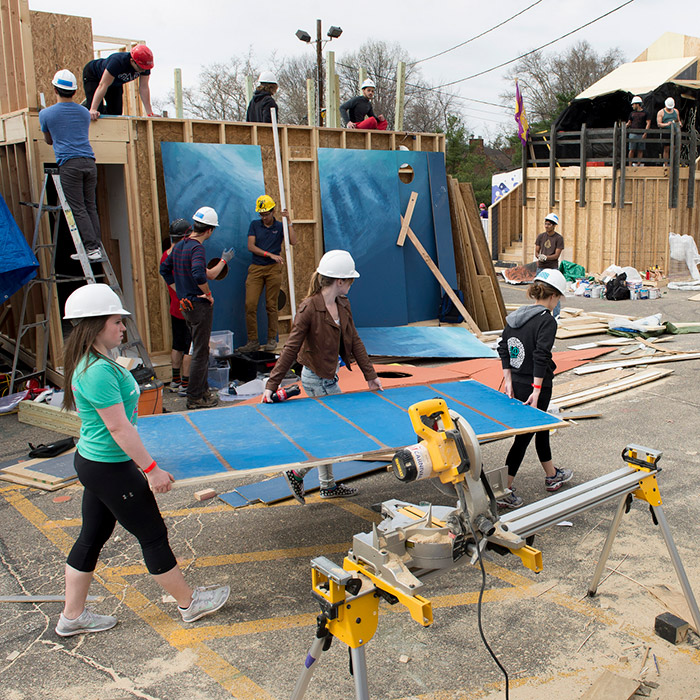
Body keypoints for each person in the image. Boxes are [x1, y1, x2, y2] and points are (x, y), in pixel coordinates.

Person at [56, 283, 229, 637]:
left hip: (96, 463)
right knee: (152, 534)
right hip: (109, 467)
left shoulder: (94, 362)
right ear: (94, 325)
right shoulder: (98, 370)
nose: (123, 328)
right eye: (117, 322)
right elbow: (119, 429)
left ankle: (71, 618)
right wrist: (150, 470)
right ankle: (189, 603)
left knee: (91, 537)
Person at [263, 250, 383, 503]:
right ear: (339, 281)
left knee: (329, 431)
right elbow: (291, 347)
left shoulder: (342, 304)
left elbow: (355, 339)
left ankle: (327, 486)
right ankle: (297, 472)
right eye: (350, 280)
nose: (352, 284)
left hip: (330, 376)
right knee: (340, 431)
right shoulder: (309, 308)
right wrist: (271, 384)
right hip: (315, 378)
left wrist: (370, 375)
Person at [496, 269, 573, 509]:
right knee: (524, 437)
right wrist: (538, 390)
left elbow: (503, 347)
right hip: (536, 385)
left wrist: (508, 379)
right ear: (553, 297)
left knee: (542, 427)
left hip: (518, 382)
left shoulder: (516, 317)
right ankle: (503, 491)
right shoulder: (546, 320)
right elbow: (541, 355)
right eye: (559, 298)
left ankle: (552, 475)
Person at [159, 207, 233, 410]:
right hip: (198, 306)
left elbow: (164, 269)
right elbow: (200, 275)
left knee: (197, 349)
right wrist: (208, 295)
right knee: (200, 353)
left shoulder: (181, 245)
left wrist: (178, 291)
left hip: (186, 305)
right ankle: (195, 398)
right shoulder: (197, 248)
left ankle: (202, 392)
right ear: (209, 230)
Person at [39, 70, 103, 262]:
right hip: (89, 162)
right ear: (74, 92)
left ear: (55, 89)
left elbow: (49, 141)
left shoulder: (46, 114)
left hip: (70, 164)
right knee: (90, 206)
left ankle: (92, 248)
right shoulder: (84, 112)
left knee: (78, 208)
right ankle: (95, 247)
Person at [238, 195, 297, 353]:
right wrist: (269, 254)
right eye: (261, 214)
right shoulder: (255, 225)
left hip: (273, 269)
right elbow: (251, 246)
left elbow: (293, 241)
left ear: (273, 211)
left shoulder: (280, 226)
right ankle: (252, 341)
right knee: (250, 304)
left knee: (271, 305)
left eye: (266, 213)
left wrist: (289, 222)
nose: (264, 217)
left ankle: (271, 339)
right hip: (257, 267)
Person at [83, 44, 157, 120]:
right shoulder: (117, 62)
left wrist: (150, 113)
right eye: (141, 68)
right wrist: (93, 109)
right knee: (96, 113)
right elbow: (103, 85)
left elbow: (144, 88)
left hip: (115, 82)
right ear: (132, 61)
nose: (144, 71)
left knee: (116, 113)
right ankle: (87, 106)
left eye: (146, 68)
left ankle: (94, 106)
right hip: (94, 75)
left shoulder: (145, 64)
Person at [160, 219, 192, 394]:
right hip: (188, 307)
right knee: (189, 346)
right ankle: (185, 384)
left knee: (177, 344)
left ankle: (175, 380)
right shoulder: (183, 255)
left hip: (175, 307)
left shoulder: (166, 255)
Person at [535, 213, 564, 318]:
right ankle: (539, 313)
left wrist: (546, 257)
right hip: (541, 267)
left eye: (549, 224)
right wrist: (539, 256)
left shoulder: (558, 238)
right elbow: (536, 251)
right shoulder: (541, 236)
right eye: (545, 224)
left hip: (552, 268)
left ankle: (556, 315)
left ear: (554, 225)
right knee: (539, 291)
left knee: (554, 291)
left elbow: (556, 255)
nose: (546, 226)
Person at [626, 96, 651, 166]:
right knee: (631, 149)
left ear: (637, 104)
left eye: (633, 104)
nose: (632, 106)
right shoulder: (632, 113)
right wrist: (624, 126)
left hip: (641, 133)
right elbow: (629, 122)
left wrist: (645, 133)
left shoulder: (645, 113)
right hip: (633, 133)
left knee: (640, 150)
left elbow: (648, 123)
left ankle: (638, 164)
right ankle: (630, 164)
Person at [657, 97, 682, 163]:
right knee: (666, 148)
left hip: (675, 132)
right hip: (666, 132)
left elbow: (678, 120)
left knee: (674, 148)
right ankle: (665, 163)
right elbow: (659, 124)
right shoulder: (661, 112)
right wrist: (666, 124)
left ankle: (673, 162)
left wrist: (679, 124)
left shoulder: (676, 111)